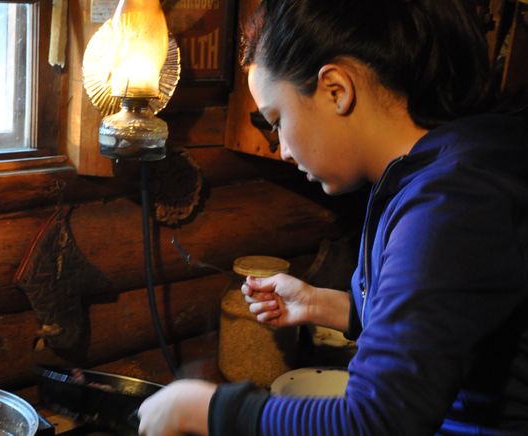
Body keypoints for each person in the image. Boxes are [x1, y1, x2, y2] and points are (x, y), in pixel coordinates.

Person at [137, 0, 528, 434]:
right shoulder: (432, 174)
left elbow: (375, 421)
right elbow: (444, 320)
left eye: (277, 119)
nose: (281, 148)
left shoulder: (452, 199)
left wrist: (208, 409)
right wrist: (320, 304)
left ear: (335, 90)